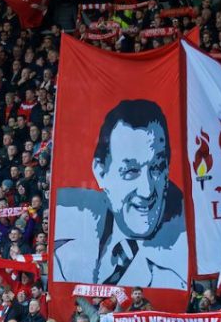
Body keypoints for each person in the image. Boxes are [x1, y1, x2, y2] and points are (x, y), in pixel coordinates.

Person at [53, 99, 187, 288]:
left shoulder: (187, 255)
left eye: (157, 168)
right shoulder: (66, 222)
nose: (147, 190)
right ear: (100, 172)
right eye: (131, 171)